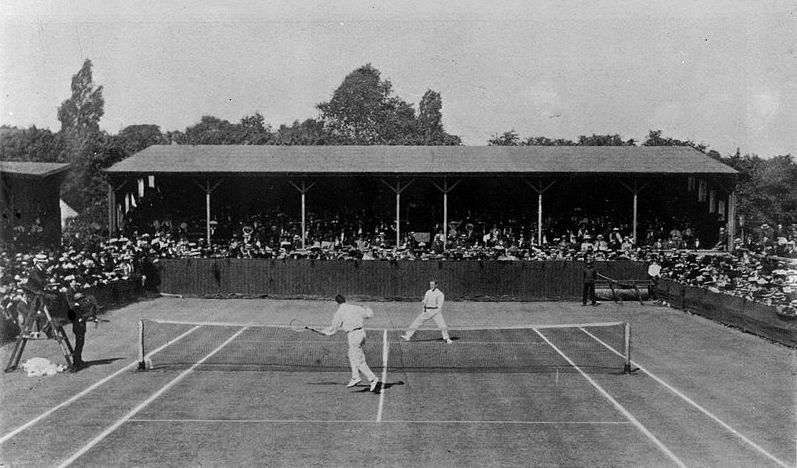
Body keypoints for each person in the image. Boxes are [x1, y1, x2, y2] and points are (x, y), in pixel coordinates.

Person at [322, 294, 379, 392]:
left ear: (337, 303)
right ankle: (355, 377)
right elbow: (369, 315)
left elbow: (334, 326)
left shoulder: (339, 312)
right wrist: (365, 307)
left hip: (353, 336)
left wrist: (325, 332)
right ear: (344, 300)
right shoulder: (355, 307)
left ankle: (372, 378)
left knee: (359, 360)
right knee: (351, 355)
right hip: (362, 334)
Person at [68, 293, 89, 370]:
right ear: (79, 300)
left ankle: (78, 360)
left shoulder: (78, 307)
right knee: (79, 345)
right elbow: (72, 318)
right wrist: (81, 319)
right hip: (78, 328)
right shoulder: (76, 308)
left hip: (80, 328)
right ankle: (76, 362)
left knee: (80, 344)